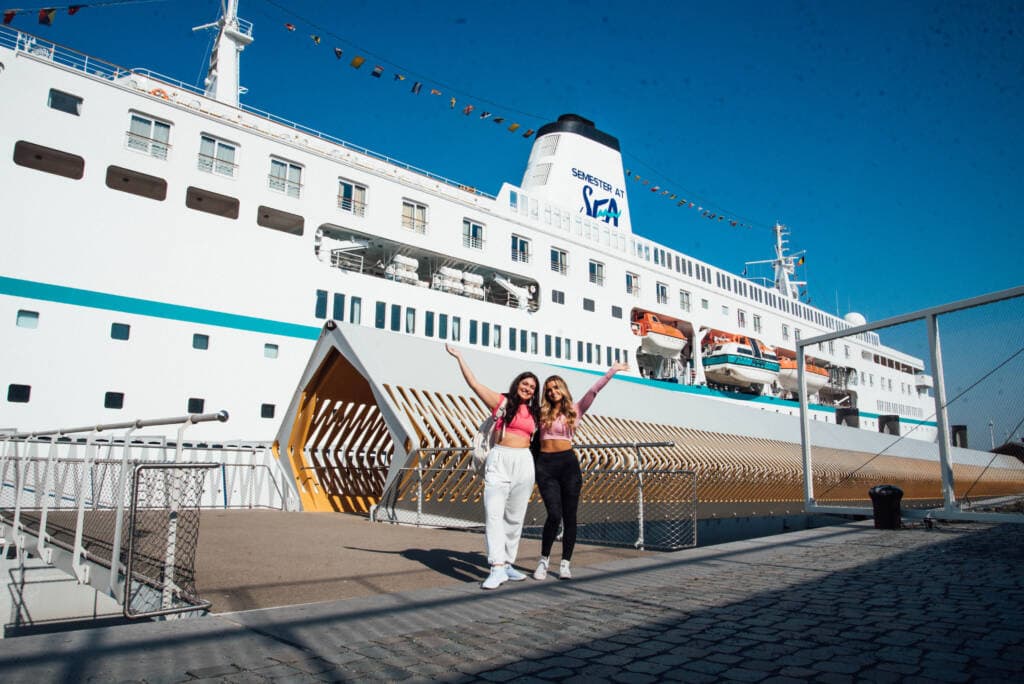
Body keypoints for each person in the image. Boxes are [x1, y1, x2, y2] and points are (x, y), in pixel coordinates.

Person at [446, 343, 540, 590]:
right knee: (494, 513)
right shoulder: (502, 403)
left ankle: (508, 563)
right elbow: (474, 384)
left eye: (532, 387)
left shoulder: (537, 413)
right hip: (500, 459)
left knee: (515, 517)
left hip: (524, 462)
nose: (528, 388)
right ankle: (496, 567)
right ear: (517, 383)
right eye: (525, 383)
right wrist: (459, 358)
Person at [533, 361, 628, 580]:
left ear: (563, 389)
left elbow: (594, 390)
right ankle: (543, 560)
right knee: (553, 515)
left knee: (570, 516)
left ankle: (565, 563)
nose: (552, 392)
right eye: (549, 390)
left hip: (568, 465)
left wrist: (612, 371)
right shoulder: (541, 412)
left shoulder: (575, 410)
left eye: (556, 387)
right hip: (545, 465)